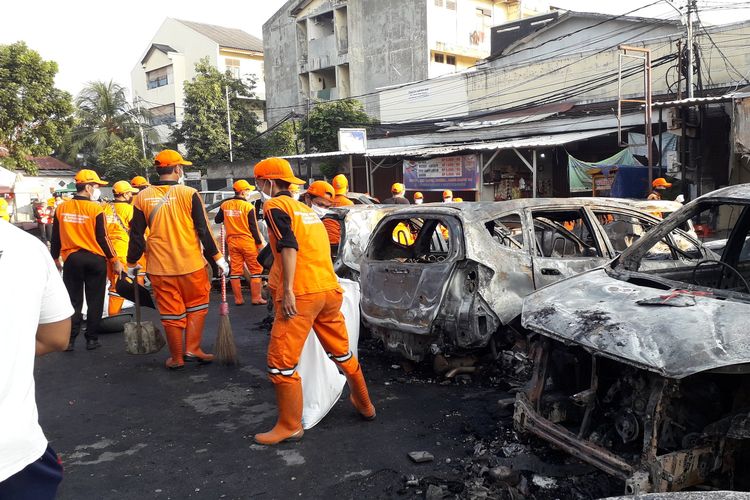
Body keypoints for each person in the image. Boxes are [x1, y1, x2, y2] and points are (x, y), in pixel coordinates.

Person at [253, 157, 375, 445]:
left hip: (303, 293)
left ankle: (290, 426)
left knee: (280, 364)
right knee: (342, 353)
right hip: (328, 291)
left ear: (268, 182)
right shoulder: (308, 213)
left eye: (259, 182)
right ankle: (365, 405)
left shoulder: (275, 206)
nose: (259, 187)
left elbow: (288, 245)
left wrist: (290, 290)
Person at [127, 149, 228, 370]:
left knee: (171, 313)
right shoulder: (189, 193)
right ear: (178, 169)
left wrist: (132, 263)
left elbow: (136, 235)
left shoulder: (141, 197)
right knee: (197, 306)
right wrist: (218, 258)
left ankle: (177, 358)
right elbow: (204, 230)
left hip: (160, 268)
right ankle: (193, 348)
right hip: (191, 264)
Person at [0, 218, 73, 500]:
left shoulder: (66, 207)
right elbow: (55, 337)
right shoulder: (22, 245)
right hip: (15, 457)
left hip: (74, 258)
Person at [51, 169, 122, 351]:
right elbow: (103, 238)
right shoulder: (96, 208)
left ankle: (70, 341)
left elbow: (56, 236)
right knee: (95, 300)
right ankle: (91, 339)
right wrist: (114, 259)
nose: (97, 189)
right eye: (96, 186)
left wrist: (55, 258)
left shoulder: (61, 208)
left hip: (72, 259)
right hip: (95, 259)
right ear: (89, 187)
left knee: (73, 301)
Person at [215, 180, 266, 306]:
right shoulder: (248, 207)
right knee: (255, 270)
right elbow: (254, 228)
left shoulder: (225, 205)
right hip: (247, 242)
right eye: (248, 190)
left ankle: (238, 299)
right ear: (243, 192)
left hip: (232, 242)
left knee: (235, 271)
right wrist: (260, 245)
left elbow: (217, 220)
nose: (250, 193)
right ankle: (256, 298)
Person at [103, 180, 139, 315]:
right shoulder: (129, 209)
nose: (131, 196)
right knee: (118, 285)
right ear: (125, 194)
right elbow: (136, 232)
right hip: (121, 252)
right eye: (130, 193)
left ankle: (113, 313)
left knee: (113, 282)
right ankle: (113, 315)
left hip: (107, 251)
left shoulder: (105, 207)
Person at [304, 180, 340, 250]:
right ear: (307, 198)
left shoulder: (329, 222)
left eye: (327, 207)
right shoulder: (297, 217)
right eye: (320, 204)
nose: (323, 210)